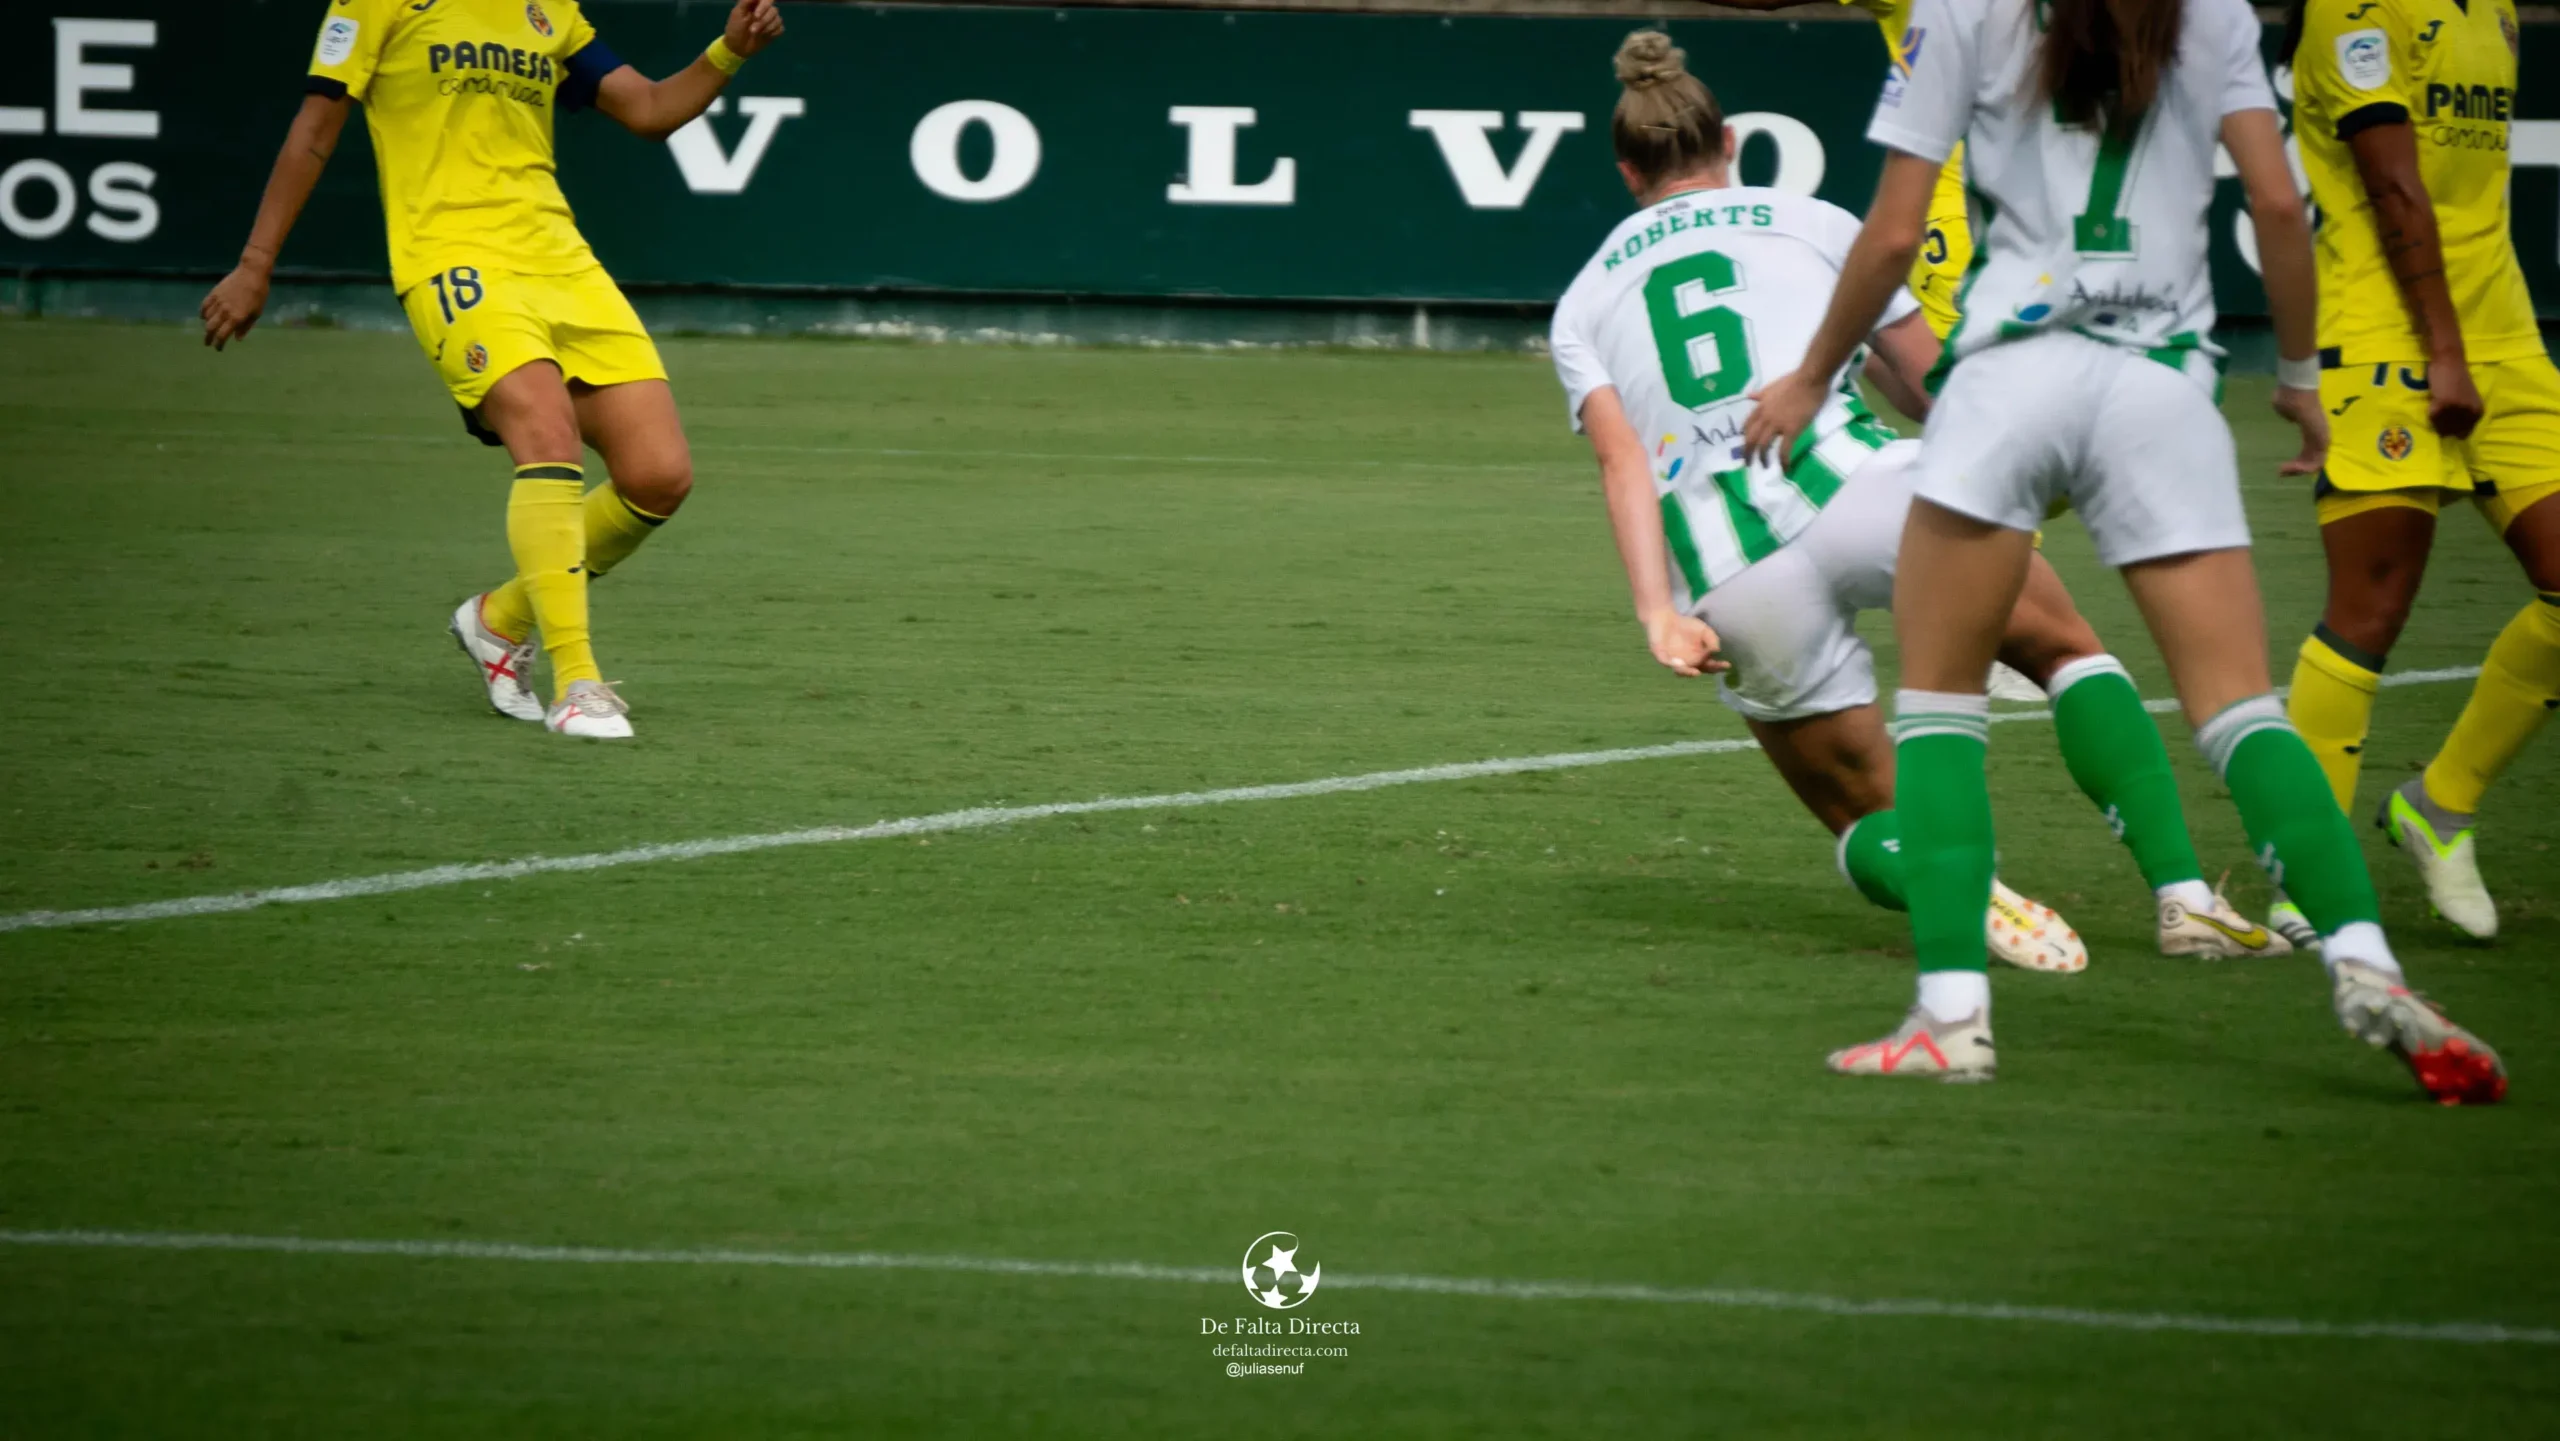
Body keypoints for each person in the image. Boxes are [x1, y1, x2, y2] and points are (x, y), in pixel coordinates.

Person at [1741, 0, 2503, 1102]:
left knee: (1943, 708)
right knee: (2240, 711)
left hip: (2008, 382)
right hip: (2157, 384)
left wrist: (1813, 376)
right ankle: (2363, 960)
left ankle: (1951, 1017)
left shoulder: (1959, 12)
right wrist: (2297, 378)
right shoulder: (2213, 12)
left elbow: (1895, 233)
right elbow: (2277, 206)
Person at [1554, 31, 2291, 983]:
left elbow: (1621, 462)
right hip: (1861, 484)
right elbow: (1922, 377)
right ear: (1728, 141)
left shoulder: (1582, 300)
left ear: (1626, 172)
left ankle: (1963, 883)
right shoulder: (1813, 221)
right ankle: (2186, 897)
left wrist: (1659, 612)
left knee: (1868, 813)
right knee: (2066, 652)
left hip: (1734, 568)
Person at [200, 0, 789, 739]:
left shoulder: (548, 12)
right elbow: (315, 130)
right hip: (451, 256)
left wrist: (729, 52)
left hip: (559, 259)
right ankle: (578, 683)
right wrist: (256, 263)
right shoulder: (374, 5)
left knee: (659, 475)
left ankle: (498, 620)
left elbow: (647, 109)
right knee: (547, 436)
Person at [2274, 0, 2560, 943]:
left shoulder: (2496, 10)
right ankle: (2309, 876)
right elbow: (2392, 187)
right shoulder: (2353, 11)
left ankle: (2439, 806)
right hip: (2388, 337)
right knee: (2372, 606)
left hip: (2504, 335)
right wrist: (2443, 350)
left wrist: (2475, 345)